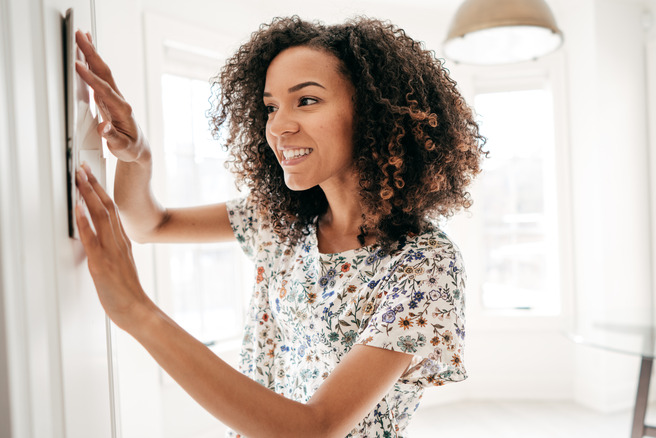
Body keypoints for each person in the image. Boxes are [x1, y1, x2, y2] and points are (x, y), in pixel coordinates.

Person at [73, 15, 484, 438]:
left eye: (306, 101)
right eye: (271, 107)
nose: (278, 126)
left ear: (372, 112)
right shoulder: (282, 220)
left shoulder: (425, 265)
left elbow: (314, 429)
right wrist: (135, 157)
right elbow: (151, 225)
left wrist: (138, 311)